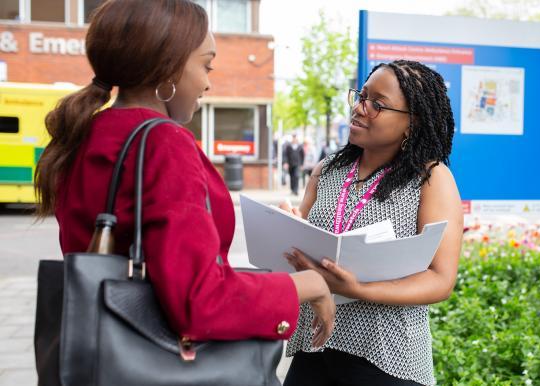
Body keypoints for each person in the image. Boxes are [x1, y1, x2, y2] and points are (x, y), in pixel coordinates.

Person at [34, 0, 333, 349]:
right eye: (206, 65)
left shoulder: (86, 131)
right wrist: (307, 284)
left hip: (99, 348)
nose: (208, 83)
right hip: (155, 357)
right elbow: (199, 301)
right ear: (168, 68)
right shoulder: (164, 142)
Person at [282, 60, 464, 386]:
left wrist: (358, 290)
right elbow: (300, 248)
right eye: (361, 96)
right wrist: (286, 229)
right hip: (313, 346)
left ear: (413, 122)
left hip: (386, 358)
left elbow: (441, 279)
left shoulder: (431, 178)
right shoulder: (326, 171)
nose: (359, 108)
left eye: (377, 104)